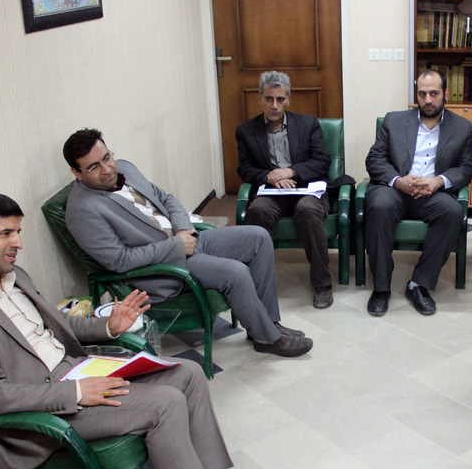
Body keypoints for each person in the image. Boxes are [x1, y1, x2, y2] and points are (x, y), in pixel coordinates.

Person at [0, 191, 272, 469]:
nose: (17, 242)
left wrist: (109, 326)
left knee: (189, 373)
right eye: (5, 234)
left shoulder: (13, 275)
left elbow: (57, 324)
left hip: (76, 371)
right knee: (165, 403)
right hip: (49, 405)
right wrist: (76, 392)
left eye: (18, 232)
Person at [63, 128, 311, 358]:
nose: (107, 169)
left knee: (258, 237)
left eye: (107, 157)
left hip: (187, 238)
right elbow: (119, 261)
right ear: (77, 173)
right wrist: (176, 245)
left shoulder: (125, 168)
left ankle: (267, 324)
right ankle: (267, 338)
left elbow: (166, 199)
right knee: (236, 272)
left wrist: (184, 230)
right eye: (94, 167)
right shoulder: (82, 210)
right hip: (162, 267)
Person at [364, 69, 472, 316]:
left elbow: (467, 168)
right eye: (422, 94)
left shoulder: (462, 127)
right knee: (379, 206)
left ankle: (419, 284)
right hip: (396, 190)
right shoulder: (394, 121)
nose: (427, 100)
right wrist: (398, 181)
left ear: (445, 94)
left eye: (434, 93)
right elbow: (375, 159)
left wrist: (438, 181)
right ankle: (381, 288)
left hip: (432, 193)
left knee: (452, 212)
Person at [236, 71, 336, 309]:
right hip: (272, 192)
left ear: (288, 100)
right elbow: (245, 169)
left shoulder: (308, 124)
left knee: (308, 210)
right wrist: (268, 176)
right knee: (257, 210)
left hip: (306, 189)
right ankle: (259, 283)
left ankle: (322, 284)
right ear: (260, 99)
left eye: (280, 99)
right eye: (269, 99)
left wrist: (290, 171)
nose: (274, 105)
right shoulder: (246, 131)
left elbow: (322, 162)